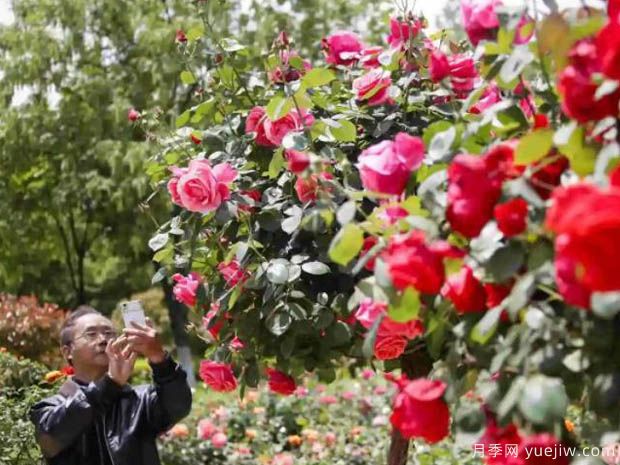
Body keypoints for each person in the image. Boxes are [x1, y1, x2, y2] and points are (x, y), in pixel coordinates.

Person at [29, 305, 192, 465]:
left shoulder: (140, 400)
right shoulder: (48, 408)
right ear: (67, 352)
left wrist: (159, 359)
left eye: (109, 333)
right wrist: (110, 384)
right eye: (91, 334)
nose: (103, 340)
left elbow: (178, 405)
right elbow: (52, 437)